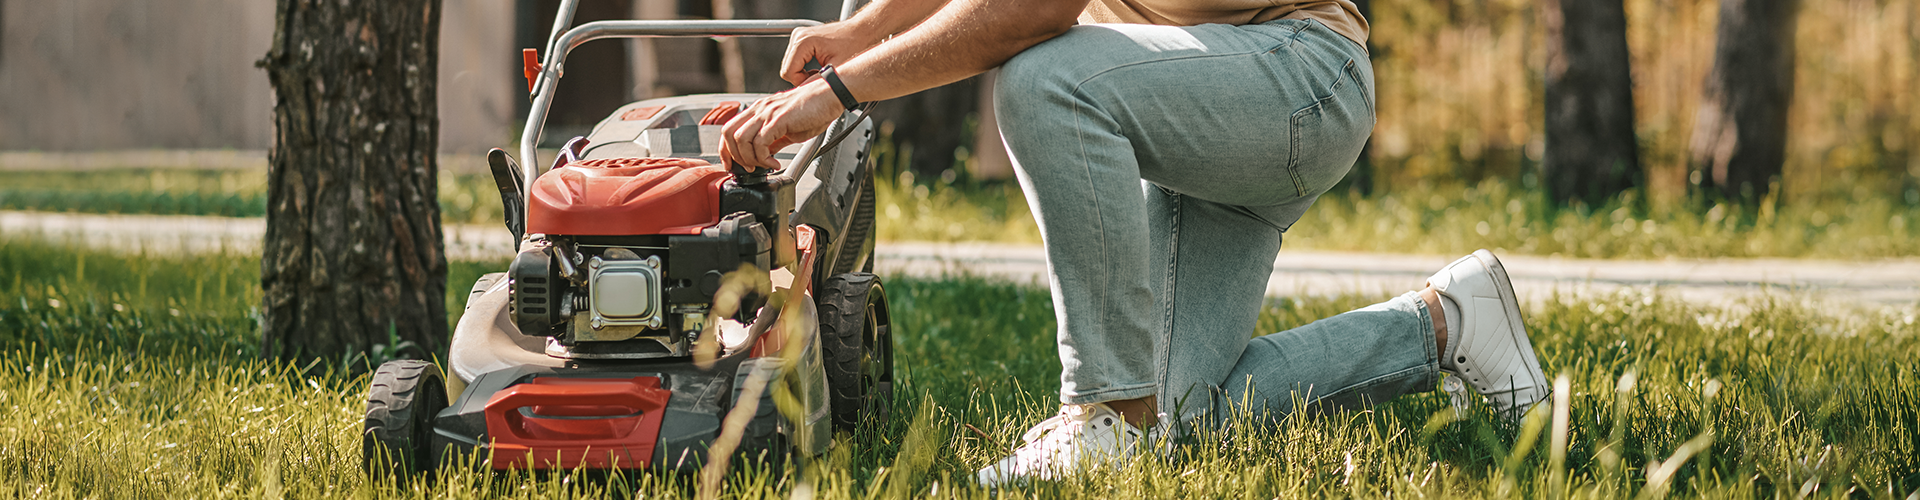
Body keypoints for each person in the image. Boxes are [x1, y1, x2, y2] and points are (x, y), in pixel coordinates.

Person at [718, 0, 1550, 486]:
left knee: (1047, 80)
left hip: (1296, 76)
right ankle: (1447, 323)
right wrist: (863, 30)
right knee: (1183, 417)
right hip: (1204, 95)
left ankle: (1107, 412)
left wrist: (836, 91)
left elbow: (1032, 11)